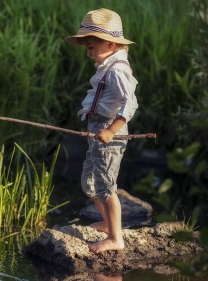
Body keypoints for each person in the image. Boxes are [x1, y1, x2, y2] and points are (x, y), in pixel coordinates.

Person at [65, 8, 138, 254]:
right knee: (90, 182)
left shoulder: (118, 70)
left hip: (110, 132)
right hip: (98, 129)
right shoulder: (107, 67)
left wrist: (111, 130)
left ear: (109, 43)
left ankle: (116, 238)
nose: (88, 54)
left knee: (106, 185)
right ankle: (107, 222)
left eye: (91, 48)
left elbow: (130, 104)